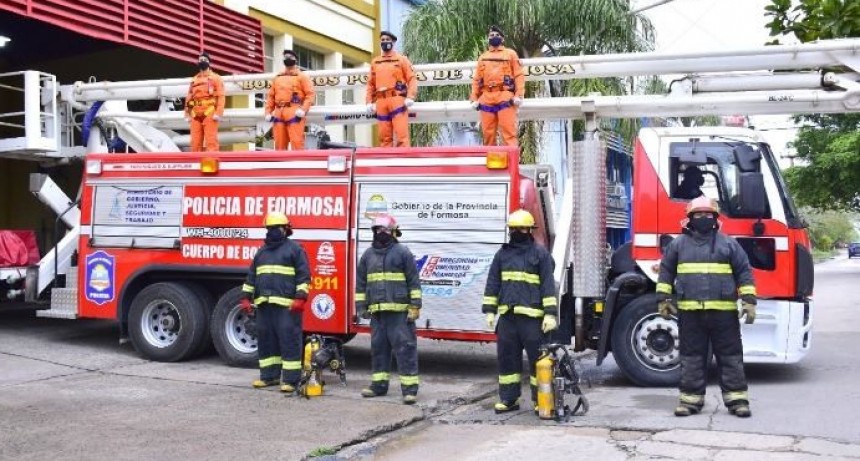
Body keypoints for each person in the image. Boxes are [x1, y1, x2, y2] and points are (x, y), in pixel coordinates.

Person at [656, 196, 757, 418]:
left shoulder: (729, 244)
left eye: (708, 215)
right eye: (699, 215)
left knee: (730, 356)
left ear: (715, 218)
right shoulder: (677, 245)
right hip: (690, 313)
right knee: (692, 357)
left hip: (723, 313)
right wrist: (664, 298)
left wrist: (749, 301)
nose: (703, 218)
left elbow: (744, 272)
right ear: (690, 219)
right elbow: (666, 272)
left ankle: (737, 400)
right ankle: (690, 401)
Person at [482, 209, 558, 414]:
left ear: (530, 230)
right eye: (514, 228)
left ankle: (539, 399)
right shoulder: (502, 254)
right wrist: (490, 311)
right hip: (508, 318)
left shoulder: (540, 253)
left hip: (533, 319)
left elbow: (548, 286)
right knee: (507, 360)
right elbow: (493, 283)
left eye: (521, 228)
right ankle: (509, 399)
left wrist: (550, 313)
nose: (517, 231)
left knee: (537, 362)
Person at [240, 212, 311, 394]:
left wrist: (300, 298)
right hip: (264, 305)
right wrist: (246, 297)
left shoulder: (295, 250)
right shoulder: (261, 252)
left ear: (286, 229)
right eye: (269, 228)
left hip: (287, 307)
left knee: (289, 342)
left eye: (276, 228)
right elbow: (252, 277)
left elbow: (304, 277)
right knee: (266, 342)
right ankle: (268, 377)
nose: (272, 231)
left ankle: (290, 380)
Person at [355, 214, 422, 404]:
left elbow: (414, 282)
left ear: (393, 232)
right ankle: (378, 385)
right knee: (378, 350)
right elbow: (361, 285)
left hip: (400, 314)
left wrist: (415, 306)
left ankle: (409, 390)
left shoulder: (403, 252)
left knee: (405, 349)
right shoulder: (368, 255)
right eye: (377, 230)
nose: (380, 233)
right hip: (378, 314)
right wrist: (361, 307)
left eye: (384, 230)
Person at [469, 26, 525, 147]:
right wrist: (474, 98)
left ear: (502, 39)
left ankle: (512, 164)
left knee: (508, 133)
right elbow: (476, 79)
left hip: (505, 96)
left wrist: (519, 95)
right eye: (491, 35)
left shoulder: (510, 54)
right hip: (486, 98)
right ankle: (490, 164)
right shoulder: (483, 57)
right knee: (488, 136)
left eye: (497, 35)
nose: (494, 37)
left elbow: (519, 75)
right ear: (488, 39)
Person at [365, 31, 418, 147]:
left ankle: (403, 163)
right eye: (382, 40)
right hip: (381, 102)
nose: (385, 42)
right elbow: (370, 84)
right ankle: (386, 162)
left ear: (393, 42)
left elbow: (412, 78)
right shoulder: (375, 62)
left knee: (401, 136)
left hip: (397, 100)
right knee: (384, 138)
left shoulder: (401, 60)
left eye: (387, 39)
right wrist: (369, 102)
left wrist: (410, 96)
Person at [265, 49, 316, 150]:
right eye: (286, 57)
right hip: (278, 112)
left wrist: (303, 110)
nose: (288, 59)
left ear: (296, 60)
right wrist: (267, 112)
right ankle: (280, 164)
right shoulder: (277, 78)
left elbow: (310, 94)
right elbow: (271, 96)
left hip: (295, 111)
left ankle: (298, 164)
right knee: (279, 143)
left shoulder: (302, 77)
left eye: (290, 57)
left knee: (296, 142)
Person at [185, 51, 225, 152]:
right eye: (200, 60)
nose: (202, 61)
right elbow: (189, 97)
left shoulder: (216, 78)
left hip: (210, 113)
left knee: (211, 142)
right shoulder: (194, 80)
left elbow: (221, 96)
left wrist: (219, 112)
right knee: (195, 143)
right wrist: (187, 113)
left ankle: (212, 165)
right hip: (195, 114)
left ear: (209, 63)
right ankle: (196, 165)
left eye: (205, 60)